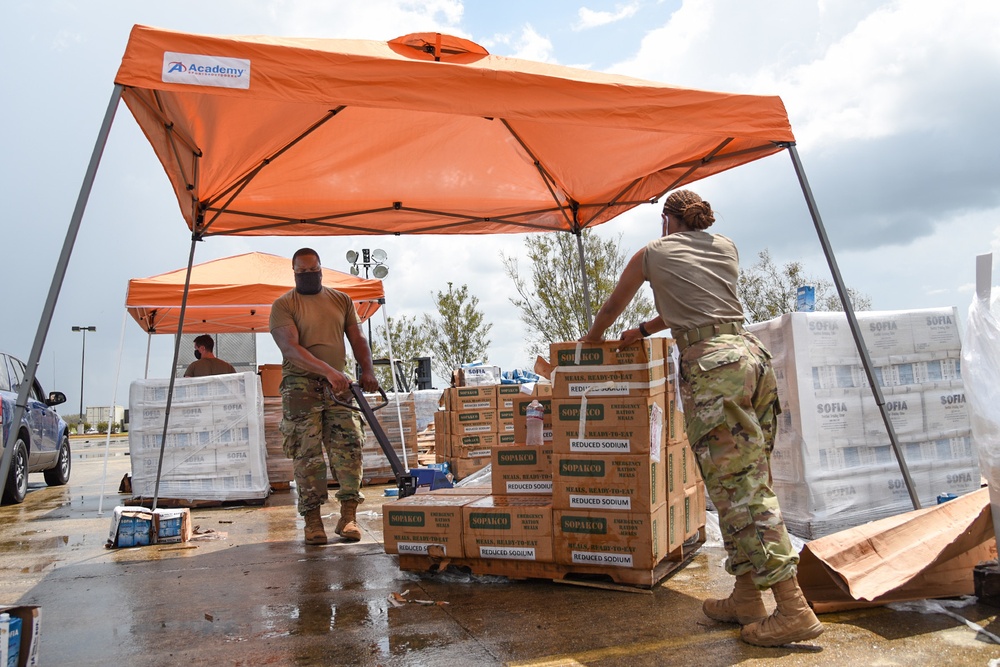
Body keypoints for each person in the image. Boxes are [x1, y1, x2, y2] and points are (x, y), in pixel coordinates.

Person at [581, 189, 823, 647]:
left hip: (714, 370)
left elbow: (611, 308)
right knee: (746, 480)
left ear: (668, 220)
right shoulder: (726, 246)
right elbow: (699, 301)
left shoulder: (652, 252)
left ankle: (793, 609)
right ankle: (748, 598)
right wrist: (648, 329)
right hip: (751, 359)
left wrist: (591, 340)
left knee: (742, 489)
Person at [269, 248, 379, 546]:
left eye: (312, 270)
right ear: (294, 273)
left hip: (340, 386)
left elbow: (357, 338)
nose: (308, 276)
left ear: (321, 268)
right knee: (307, 455)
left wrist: (367, 369)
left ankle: (348, 516)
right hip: (301, 386)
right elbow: (290, 348)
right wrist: (328, 371)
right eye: (301, 273)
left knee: (349, 447)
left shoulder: (341, 300)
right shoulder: (284, 305)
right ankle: (313, 521)